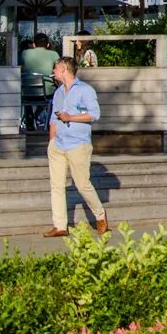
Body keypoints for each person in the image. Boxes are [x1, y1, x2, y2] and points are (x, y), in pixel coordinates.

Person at [44, 56, 108, 238]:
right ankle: (60, 225)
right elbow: (54, 120)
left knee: (82, 184)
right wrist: (51, 142)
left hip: (78, 143)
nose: (53, 72)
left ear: (64, 69)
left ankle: (100, 215)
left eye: (56, 68)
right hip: (59, 144)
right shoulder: (58, 93)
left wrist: (71, 117)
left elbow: (94, 115)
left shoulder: (85, 90)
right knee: (56, 185)